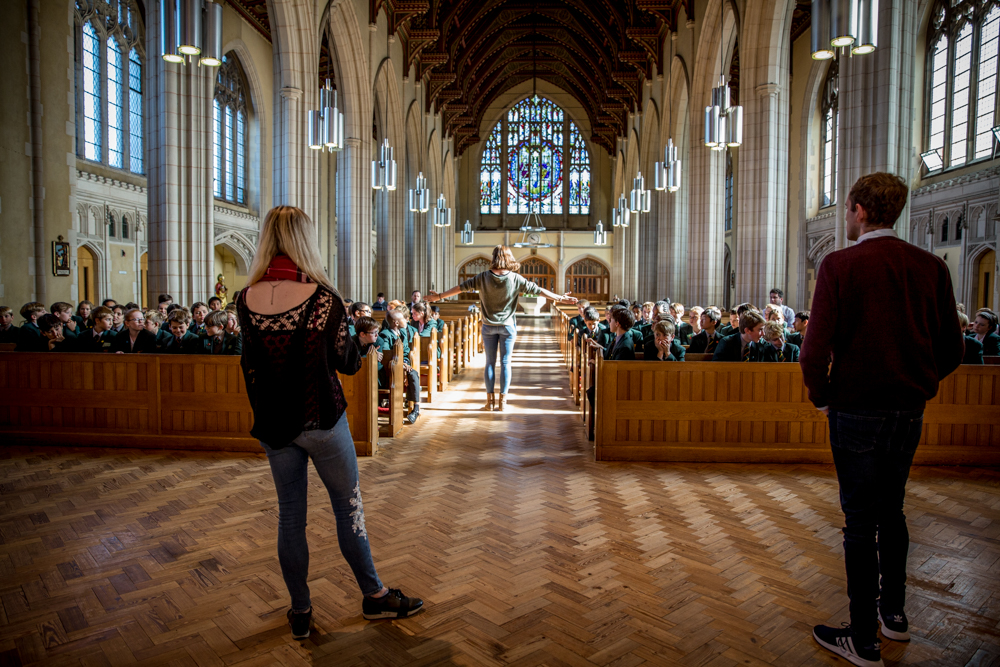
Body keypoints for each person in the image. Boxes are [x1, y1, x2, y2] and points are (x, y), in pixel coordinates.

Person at [800, 173, 965, 667]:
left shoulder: (840, 265)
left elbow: (813, 349)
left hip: (854, 411)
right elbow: (954, 349)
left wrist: (822, 397)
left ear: (857, 210)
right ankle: (894, 616)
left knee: (858, 522)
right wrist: (921, 383)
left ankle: (863, 638)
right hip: (907, 411)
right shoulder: (930, 266)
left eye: (848, 208)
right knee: (893, 512)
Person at [237, 206, 421, 637]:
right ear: (305, 240)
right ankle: (374, 597)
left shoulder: (244, 301)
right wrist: (359, 341)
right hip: (321, 418)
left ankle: (300, 611)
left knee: (289, 518)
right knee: (347, 508)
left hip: (274, 424)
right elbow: (348, 363)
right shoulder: (323, 299)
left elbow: (249, 365)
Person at [425, 244, 577, 412]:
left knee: (490, 363)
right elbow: (538, 290)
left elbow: (460, 288)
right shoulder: (515, 278)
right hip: (508, 326)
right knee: (506, 363)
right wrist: (559, 298)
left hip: (488, 325)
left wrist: (438, 296)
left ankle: (490, 402)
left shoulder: (483, 277)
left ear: (493, 257)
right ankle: (503, 402)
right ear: (509, 257)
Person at [378, 308, 421, 424]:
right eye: (403, 319)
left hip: (403, 363)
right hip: (390, 367)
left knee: (413, 373)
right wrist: (400, 364)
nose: (407, 320)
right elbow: (386, 354)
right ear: (396, 322)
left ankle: (416, 408)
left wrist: (405, 363)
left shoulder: (402, 333)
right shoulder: (385, 335)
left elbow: (406, 351)